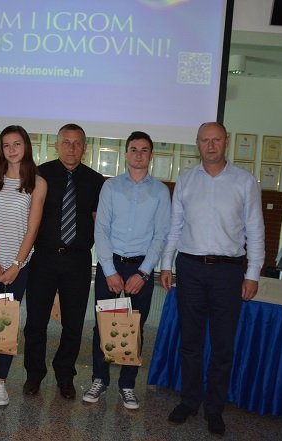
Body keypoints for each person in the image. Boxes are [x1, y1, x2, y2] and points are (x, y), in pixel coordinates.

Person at [160, 122, 265, 435]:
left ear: (226, 142)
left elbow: (255, 230)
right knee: (190, 342)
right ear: (197, 143)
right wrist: (166, 264)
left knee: (222, 345)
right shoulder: (186, 180)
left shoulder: (245, 182)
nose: (210, 145)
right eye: (204, 140)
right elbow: (175, 227)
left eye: (216, 140)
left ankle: (215, 408)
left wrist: (252, 273)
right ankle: (189, 401)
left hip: (228, 271)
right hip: (190, 268)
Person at [83, 131, 171, 408]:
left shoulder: (160, 191)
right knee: (103, 324)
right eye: (134, 149)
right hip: (111, 265)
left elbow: (161, 235)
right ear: (126, 154)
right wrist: (109, 270)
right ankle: (100, 379)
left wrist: (144, 273)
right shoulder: (110, 187)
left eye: (144, 150)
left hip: (141, 269)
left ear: (151, 156)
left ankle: (127, 385)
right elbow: (101, 229)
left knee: (135, 326)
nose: (138, 154)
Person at [23, 123, 104, 399]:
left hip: (78, 261)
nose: (71, 148)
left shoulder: (96, 181)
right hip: (43, 258)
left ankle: (65, 376)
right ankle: (34, 374)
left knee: (73, 324)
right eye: (66, 143)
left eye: (77, 143)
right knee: (35, 322)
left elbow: (100, 223)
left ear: (85, 148)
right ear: (56, 146)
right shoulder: (39, 175)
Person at [0, 125, 47, 406]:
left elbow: (32, 229)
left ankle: (1, 381)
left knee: (6, 321)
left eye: (17, 144)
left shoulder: (37, 183)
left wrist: (16, 264)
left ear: (26, 146)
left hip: (18, 265)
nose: (11, 150)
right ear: (0, 149)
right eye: (6, 145)